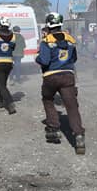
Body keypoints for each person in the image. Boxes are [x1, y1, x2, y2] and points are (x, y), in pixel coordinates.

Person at [36, 12, 85, 155]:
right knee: (72, 106)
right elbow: (74, 59)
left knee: (48, 99)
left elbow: (44, 61)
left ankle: (53, 128)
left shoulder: (46, 41)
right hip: (68, 76)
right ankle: (79, 135)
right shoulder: (70, 39)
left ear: (48, 25)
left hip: (51, 77)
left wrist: (37, 58)